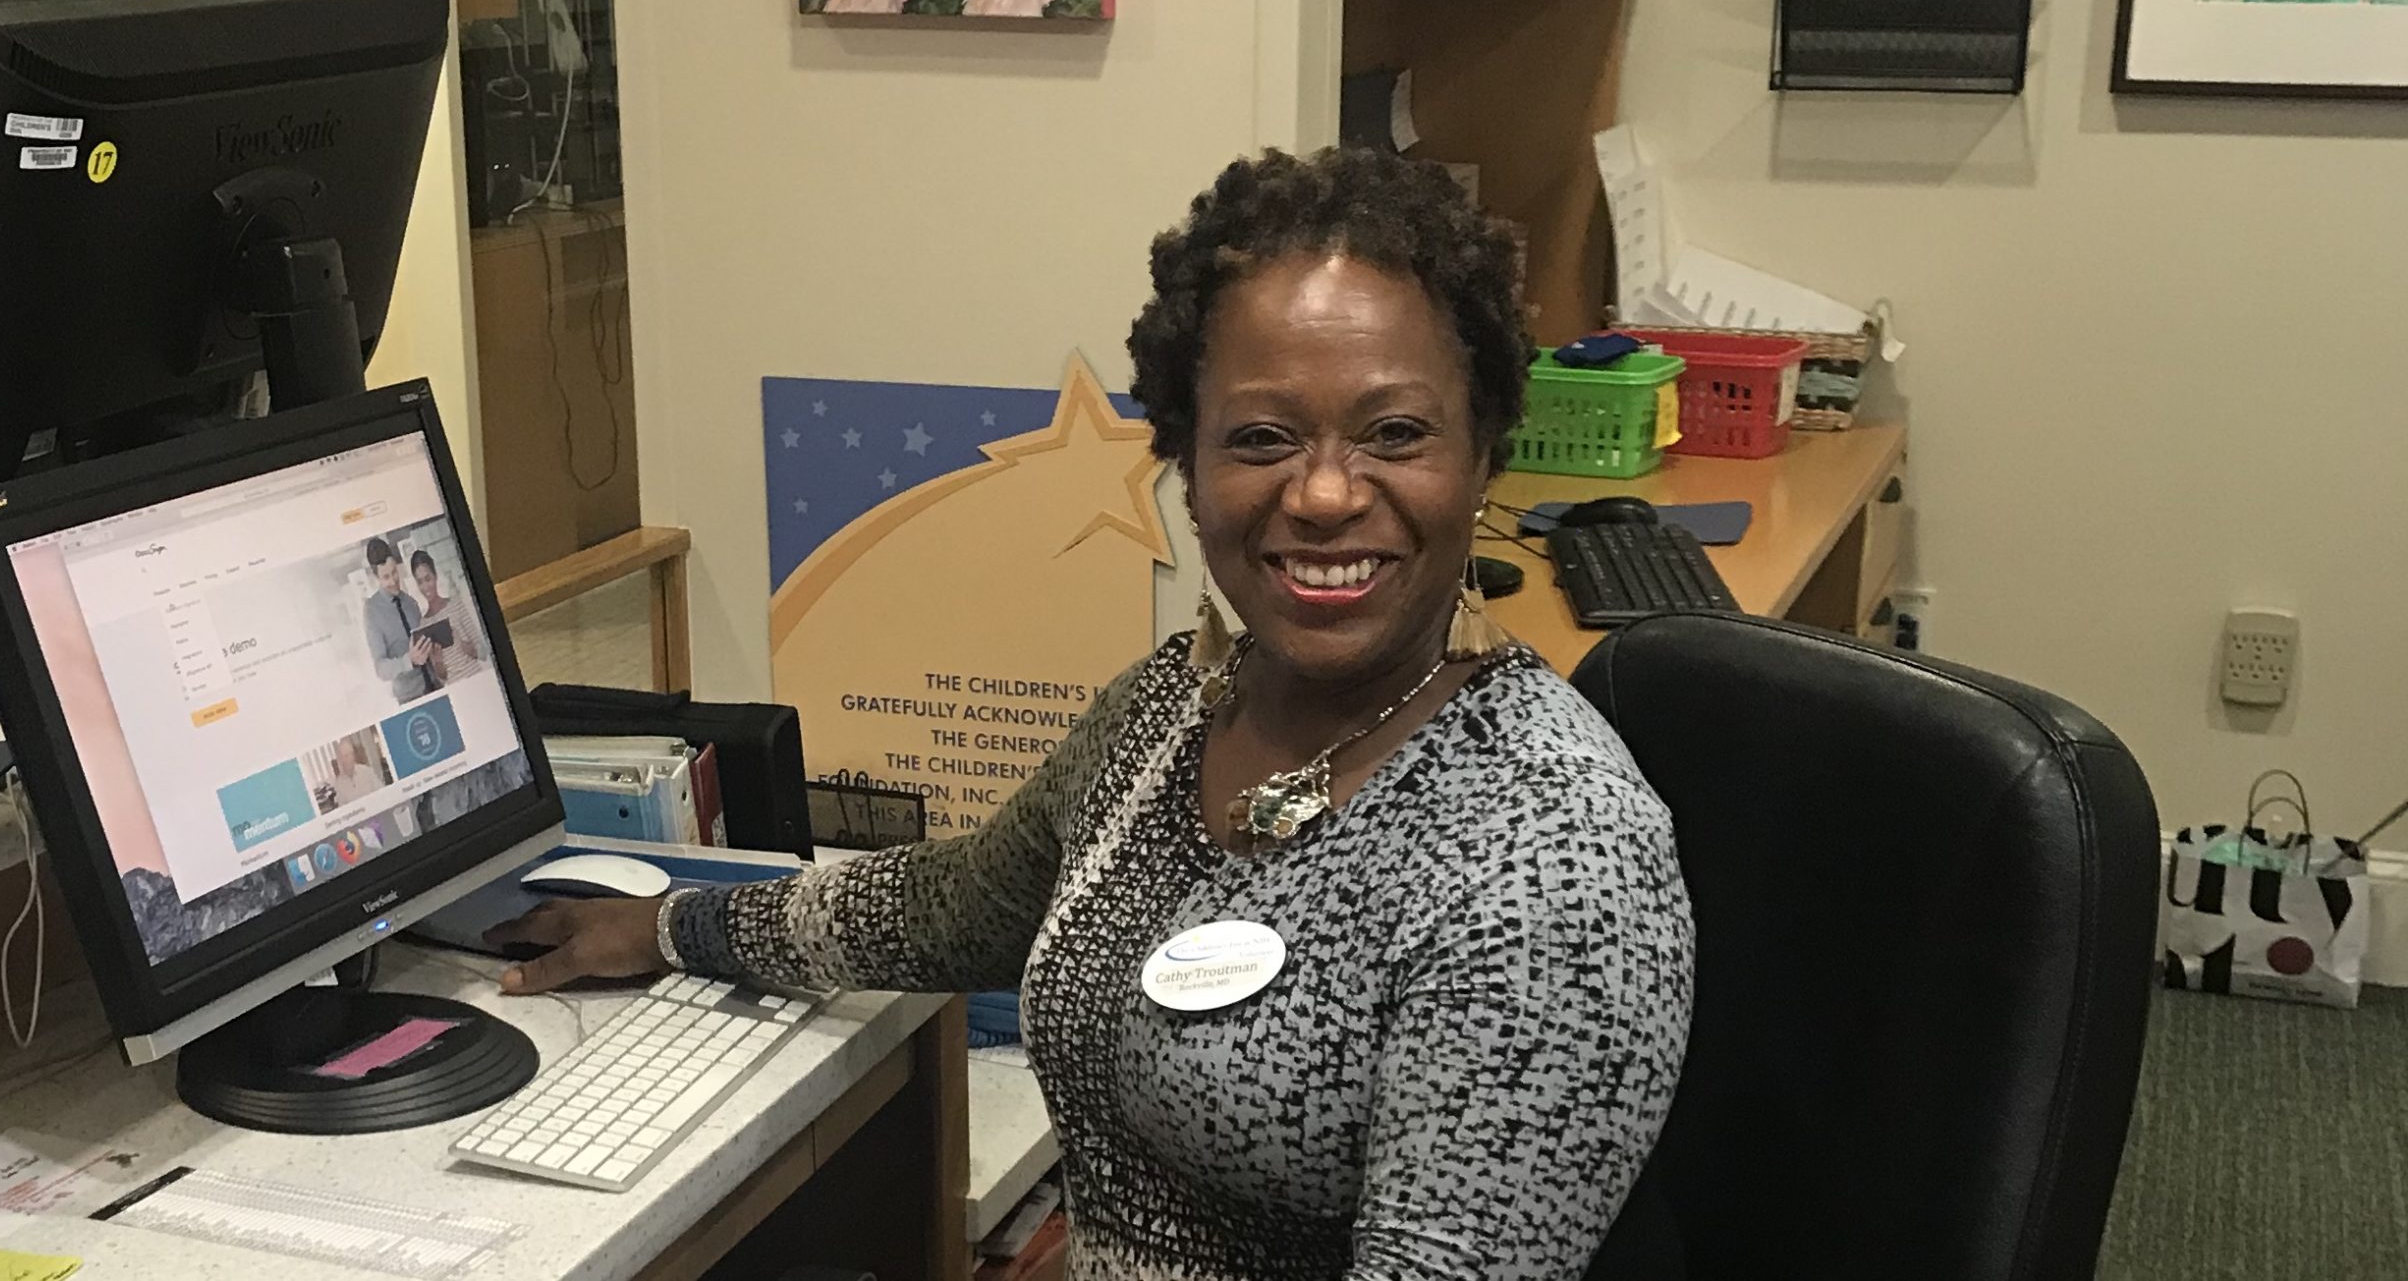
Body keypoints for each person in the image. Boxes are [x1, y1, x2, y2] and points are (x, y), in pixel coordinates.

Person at [489, 147, 1693, 1279]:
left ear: (1485, 450)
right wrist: (672, 930)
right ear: (1189, 460)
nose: (1324, 493)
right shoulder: (1175, 704)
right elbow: (953, 907)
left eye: (1394, 432)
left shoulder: (1551, 860)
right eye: (1261, 437)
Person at [360, 536, 437, 702]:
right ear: (376, 579)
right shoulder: (371, 611)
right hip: (410, 697)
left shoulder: (410, 602)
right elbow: (380, 668)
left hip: (435, 685)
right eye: (386, 577)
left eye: (394, 572)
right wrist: (408, 660)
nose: (393, 580)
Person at [408, 548, 486, 683]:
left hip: (476, 677)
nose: (425, 586)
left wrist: (467, 648)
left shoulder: (456, 604)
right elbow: (442, 677)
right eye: (420, 581)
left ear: (435, 576)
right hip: (455, 687)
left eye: (428, 579)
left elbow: (484, 652)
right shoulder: (424, 624)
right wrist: (438, 662)